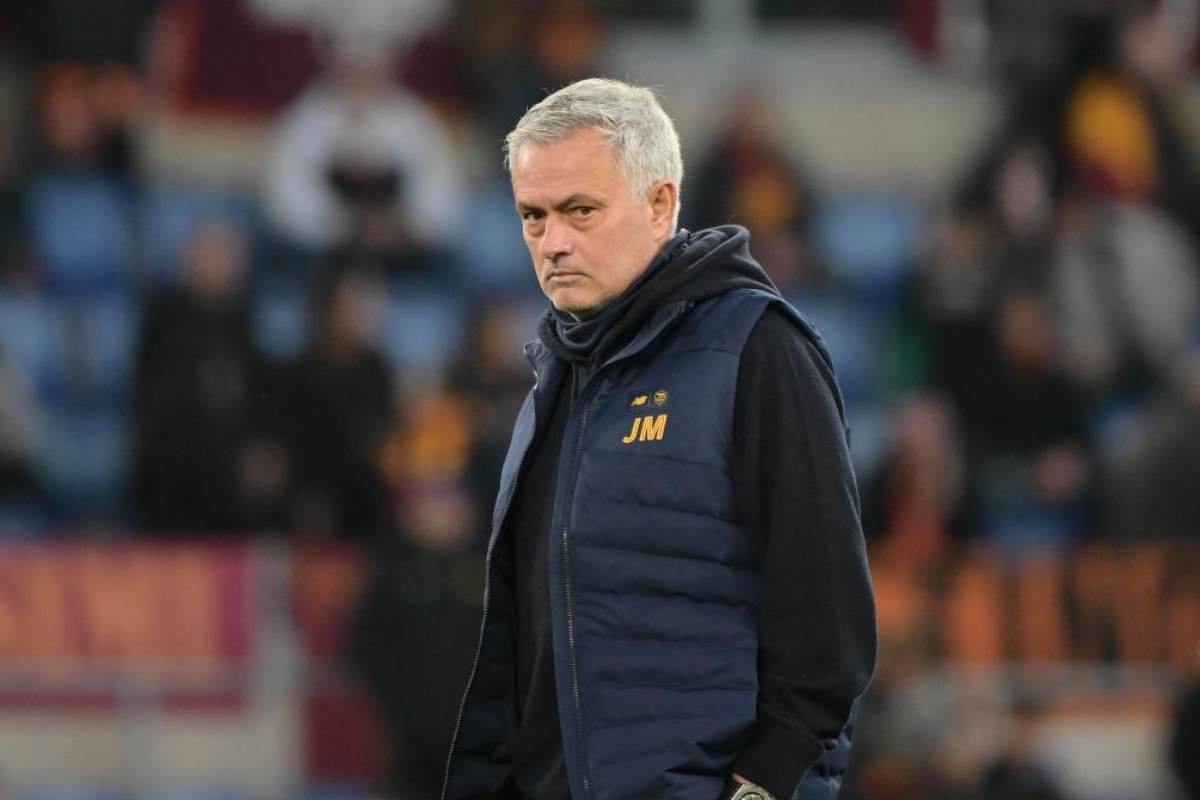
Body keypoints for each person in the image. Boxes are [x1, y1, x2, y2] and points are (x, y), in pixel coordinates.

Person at [442, 78, 876, 800]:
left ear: (660, 204)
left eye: (581, 210)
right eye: (533, 216)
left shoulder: (756, 350)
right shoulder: (554, 381)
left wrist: (761, 787)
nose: (553, 242)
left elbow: (827, 621)